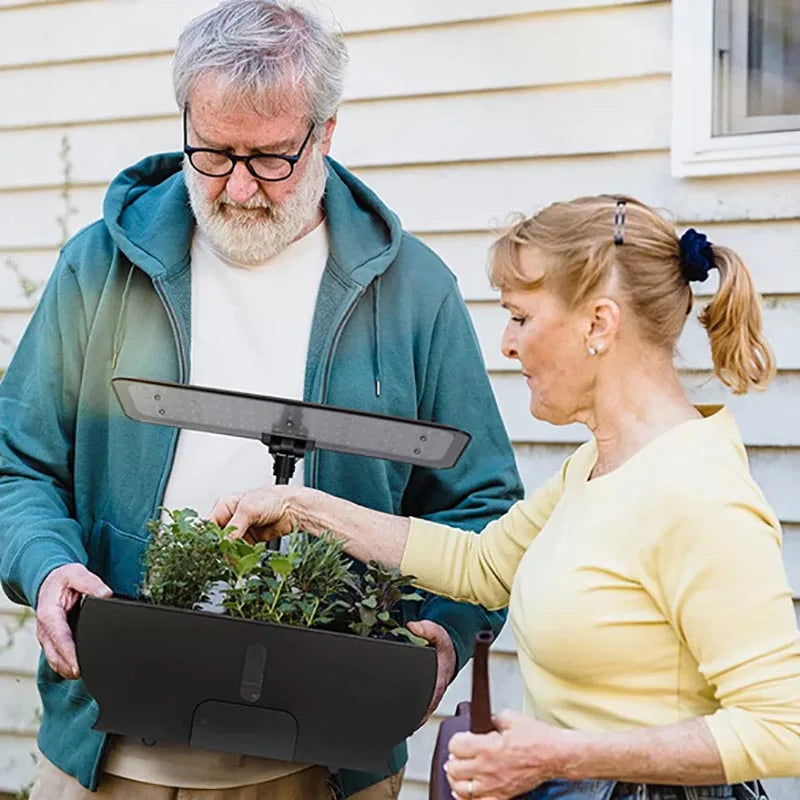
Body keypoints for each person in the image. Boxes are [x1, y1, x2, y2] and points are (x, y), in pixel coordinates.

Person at [0, 1, 523, 798]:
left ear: (327, 132)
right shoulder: (99, 267)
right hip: (112, 747)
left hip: (327, 757)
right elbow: (17, 465)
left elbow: (481, 504)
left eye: (271, 158)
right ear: (184, 120)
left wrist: (445, 635)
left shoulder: (413, 292)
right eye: (212, 153)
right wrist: (47, 567)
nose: (239, 187)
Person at [211, 195, 800, 800]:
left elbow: (782, 727)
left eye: (521, 317)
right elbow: (483, 565)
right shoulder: (601, 465)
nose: (507, 345)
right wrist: (300, 509)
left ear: (598, 323)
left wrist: (557, 755)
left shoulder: (696, 492)